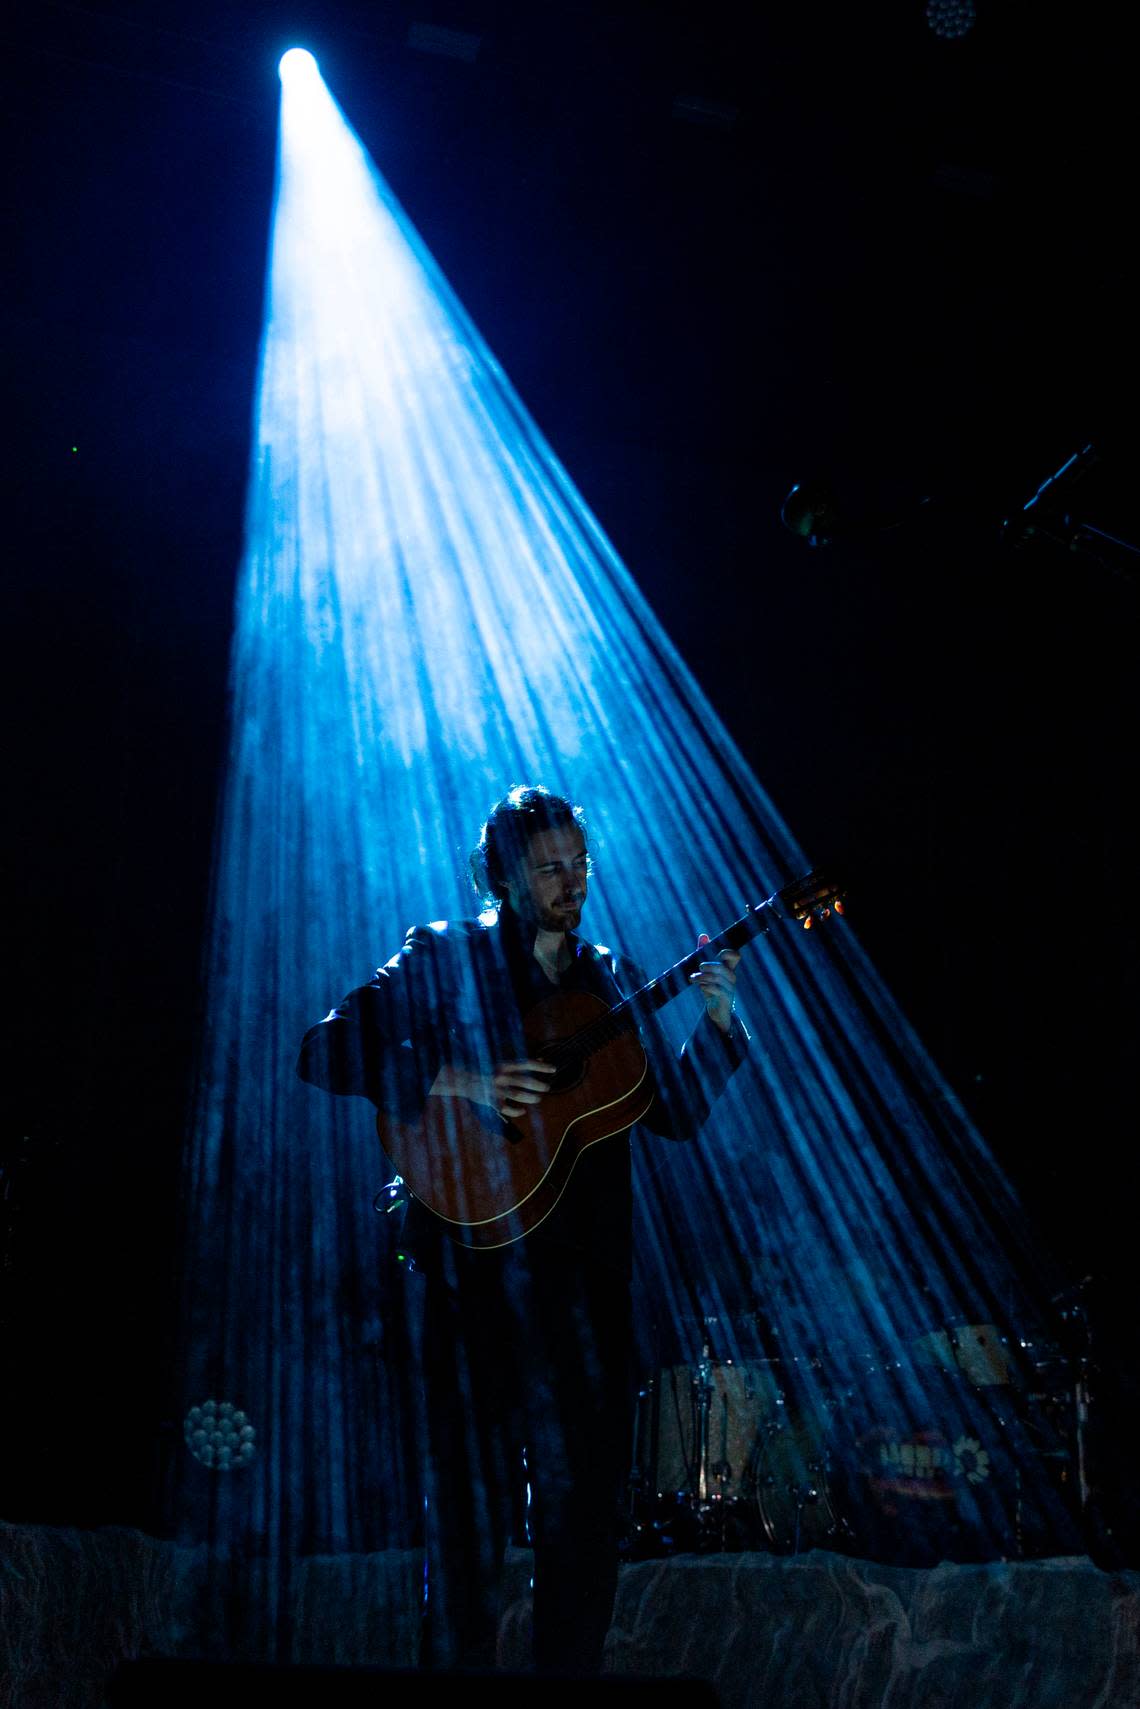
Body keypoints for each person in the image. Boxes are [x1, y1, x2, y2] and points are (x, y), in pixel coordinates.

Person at [297, 786, 749, 1672]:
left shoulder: (609, 976)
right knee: (464, 1521)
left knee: (583, 1529)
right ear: (502, 872)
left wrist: (718, 1019)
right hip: (469, 1281)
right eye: (550, 866)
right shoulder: (442, 956)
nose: (571, 880)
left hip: (586, 1287)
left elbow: (673, 1114)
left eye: (580, 864)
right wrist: (461, 1080)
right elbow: (326, 1047)